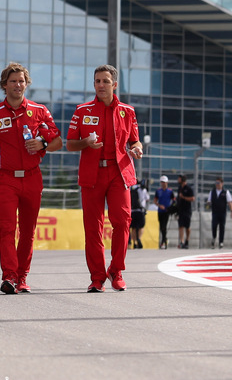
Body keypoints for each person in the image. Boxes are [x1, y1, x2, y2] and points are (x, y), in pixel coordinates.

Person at [0, 61, 62, 294]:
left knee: (28, 231)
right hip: (5, 179)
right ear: (4, 85)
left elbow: (58, 141)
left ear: (26, 84)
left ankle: (22, 277)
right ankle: (8, 276)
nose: (18, 85)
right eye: (13, 81)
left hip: (32, 178)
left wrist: (43, 143)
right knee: (7, 229)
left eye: (21, 81)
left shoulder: (39, 111)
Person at [65, 64, 142, 292]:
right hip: (92, 174)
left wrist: (137, 148)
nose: (100, 85)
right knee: (93, 228)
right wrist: (86, 143)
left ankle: (116, 271)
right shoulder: (82, 111)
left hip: (119, 173)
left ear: (114, 85)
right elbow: (69, 144)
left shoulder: (127, 111)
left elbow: (134, 140)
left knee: (122, 221)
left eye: (105, 81)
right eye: (97, 81)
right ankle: (97, 277)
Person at [208, 177, 232, 248]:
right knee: (214, 226)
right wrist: (208, 204)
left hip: (222, 212)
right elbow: (209, 201)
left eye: (218, 183)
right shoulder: (212, 192)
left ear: (222, 184)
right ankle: (214, 237)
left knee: (222, 227)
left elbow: (229, 202)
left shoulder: (226, 192)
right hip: (215, 212)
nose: (217, 185)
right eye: (216, 183)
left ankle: (221, 242)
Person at [175, 175, 195, 249]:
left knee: (187, 226)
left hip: (187, 210)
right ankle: (182, 241)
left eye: (179, 179)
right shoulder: (180, 188)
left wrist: (184, 197)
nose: (178, 180)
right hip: (180, 210)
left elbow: (193, 198)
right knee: (180, 226)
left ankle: (187, 240)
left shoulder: (189, 188)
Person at [128, 180, 149, 250]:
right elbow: (147, 198)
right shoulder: (143, 189)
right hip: (141, 210)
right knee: (141, 226)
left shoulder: (132, 188)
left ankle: (134, 242)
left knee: (133, 227)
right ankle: (139, 239)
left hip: (133, 210)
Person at [155, 176, 174, 249]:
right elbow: (155, 201)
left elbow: (173, 200)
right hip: (160, 211)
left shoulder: (170, 191)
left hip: (166, 211)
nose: (163, 184)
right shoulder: (158, 191)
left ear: (167, 183)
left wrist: (170, 208)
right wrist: (159, 205)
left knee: (164, 226)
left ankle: (163, 241)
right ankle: (164, 240)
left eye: (164, 182)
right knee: (161, 226)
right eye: (162, 182)